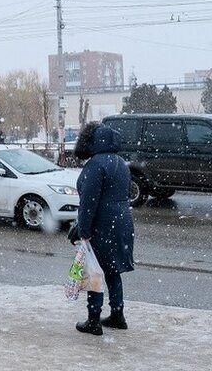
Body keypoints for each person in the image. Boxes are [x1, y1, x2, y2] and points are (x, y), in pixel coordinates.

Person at [67, 121, 134, 336]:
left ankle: (93, 320)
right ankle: (117, 314)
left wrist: (83, 230)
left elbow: (89, 202)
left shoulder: (96, 165)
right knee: (113, 270)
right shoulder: (120, 162)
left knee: (94, 271)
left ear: (93, 141)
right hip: (122, 222)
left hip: (102, 224)